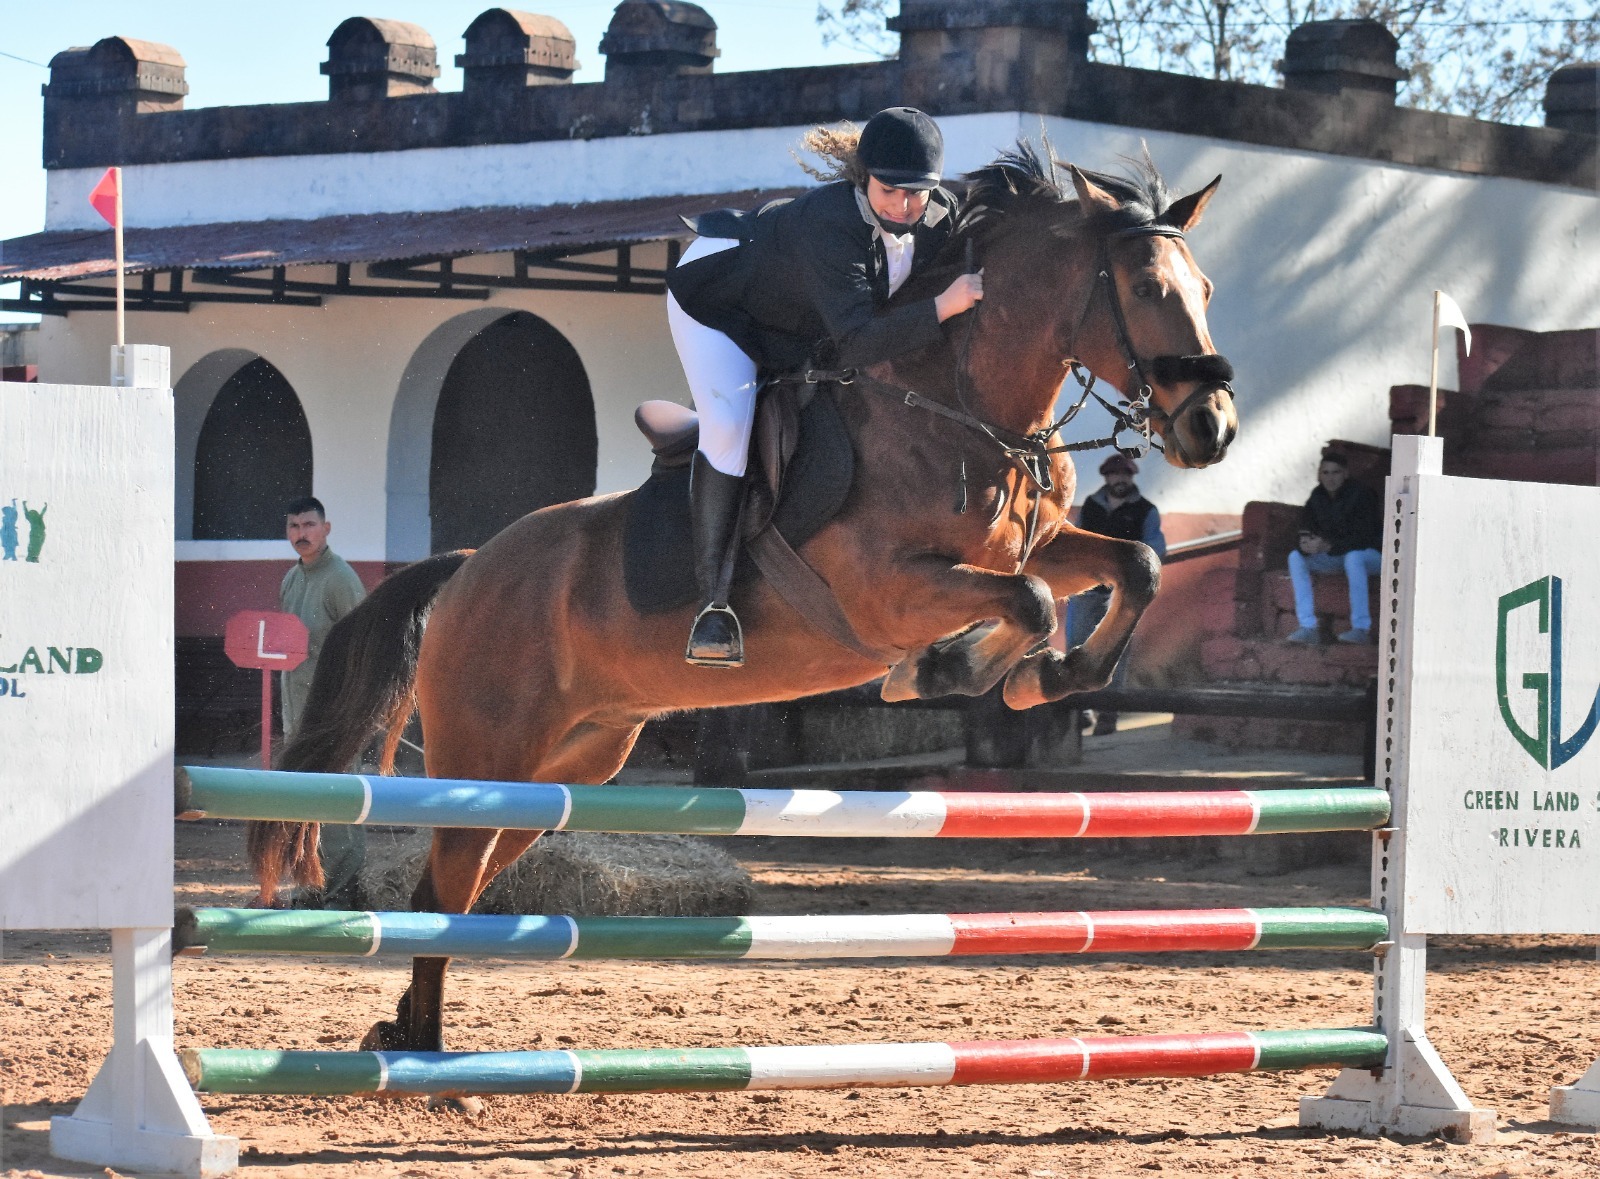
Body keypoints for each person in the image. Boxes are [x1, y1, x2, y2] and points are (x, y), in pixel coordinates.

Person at [664, 106, 985, 667]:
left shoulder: (937, 216)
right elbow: (859, 340)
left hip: (802, 322)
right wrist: (944, 306)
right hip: (720, 304)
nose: (908, 207)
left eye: (921, 193)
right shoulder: (829, 223)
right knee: (729, 427)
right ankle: (712, 605)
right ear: (865, 178)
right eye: (893, 191)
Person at [279, 496, 368, 907]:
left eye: (309, 525)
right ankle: (313, 885)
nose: (302, 534)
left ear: (326, 529)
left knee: (337, 796)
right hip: (297, 710)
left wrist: (355, 709)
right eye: (294, 526)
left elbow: (363, 645)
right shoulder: (290, 580)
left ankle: (345, 889)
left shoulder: (340, 579)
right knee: (304, 800)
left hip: (334, 712)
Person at [1066, 453, 1166, 736]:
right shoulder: (1091, 507)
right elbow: (1078, 542)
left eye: (1124, 475)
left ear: (1131, 478)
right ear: (1106, 478)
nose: (1119, 479)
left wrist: (1132, 575)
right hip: (1087, 588)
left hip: (1123, 595)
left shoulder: (1146, 510)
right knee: (1077, 647)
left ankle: (1109, 712)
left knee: (1116, 653)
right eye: (1114, 475)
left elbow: (1155, 550)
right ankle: (1081, 708)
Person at [1285, 451, 1382, 645]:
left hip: (1372, 557)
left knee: (1354, 557)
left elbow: (1366, 537)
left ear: (1345, 473)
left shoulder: (1362, 494)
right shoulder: (1317, 496)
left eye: (1336, 472)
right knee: (1295, 557)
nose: (1330, 478)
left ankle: (1361, 629)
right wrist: (1306, 544)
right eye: (1326, 473)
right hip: (1338, 556)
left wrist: (1329, 545)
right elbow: (1304, 526)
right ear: (1319, 475)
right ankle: (1308, 627)